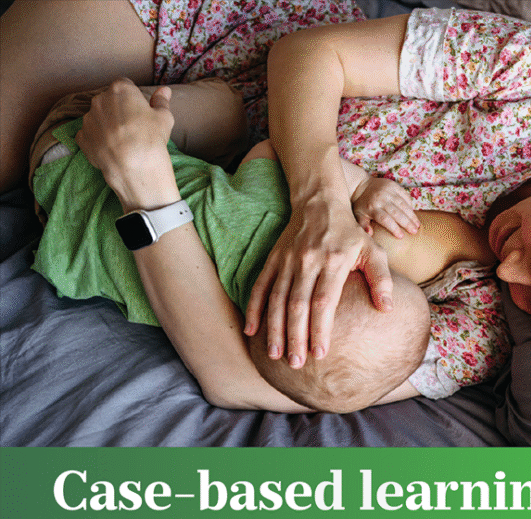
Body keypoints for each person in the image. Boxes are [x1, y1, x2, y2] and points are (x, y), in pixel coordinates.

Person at [2, 1, 531, 410]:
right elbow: (308, 54)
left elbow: (244, 381)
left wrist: (149, 198)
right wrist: (319, 203)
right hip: (236, 29)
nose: (509, 267)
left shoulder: (484, 330)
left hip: (191, 160)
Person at [28, 79, 505, 412]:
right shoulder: (227, 317)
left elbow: (265, 149)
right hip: (61, 237)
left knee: (229, 109)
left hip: (75, 143)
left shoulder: (269, 209)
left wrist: (357, 191)